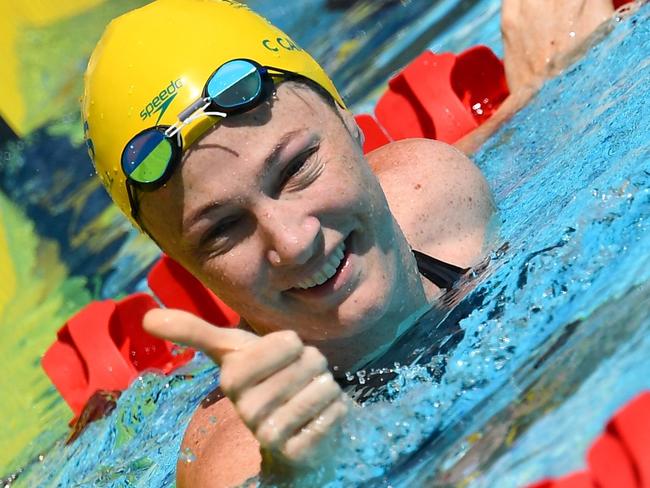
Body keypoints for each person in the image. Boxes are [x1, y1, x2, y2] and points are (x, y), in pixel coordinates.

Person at [81, 0, 616, 485]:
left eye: (296, 168)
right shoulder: (234, 454)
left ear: (347, 119)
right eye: (222, 230)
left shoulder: (438, 196)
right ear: (186, 267)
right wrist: (300, 471)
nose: (292, 243)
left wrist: (542, 85)